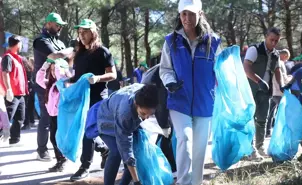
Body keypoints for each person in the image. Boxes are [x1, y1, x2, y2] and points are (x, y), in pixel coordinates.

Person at [159, 0, 221, 184]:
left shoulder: (214, 41)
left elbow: (221, 70)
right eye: (184, 14)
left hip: (205, 102)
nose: (187, 18)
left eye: (192, 13)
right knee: (184, 141)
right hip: (179, 100)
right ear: (179, 15)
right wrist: (170, 83)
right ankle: (184, 182)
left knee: (200, 149)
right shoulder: (171, 41)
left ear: (200, 14)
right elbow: (165, 69)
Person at [68, 19, 117, 181]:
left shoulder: (102, 51)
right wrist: (68, 83)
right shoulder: (79, 54)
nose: (82, 35)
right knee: (86, 131)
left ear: (93, 33)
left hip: (97, 99)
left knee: (88, 133)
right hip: (81, 99)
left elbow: (113, 75)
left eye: (85, 32)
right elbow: (76, 77)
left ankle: (84, 167)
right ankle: (104, 149)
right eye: (80, 32)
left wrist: (98, 78)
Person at [86, 84, 157, 185]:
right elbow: (126, 150)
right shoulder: (125, 115)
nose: (146, 118)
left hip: (120, 113)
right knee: (117, 152)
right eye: (143, 113)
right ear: (136, 104)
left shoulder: (146, 92)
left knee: (136, 153)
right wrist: (137, 182)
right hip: (106, 120)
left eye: (149, 114)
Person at [33, 12, 74, 161]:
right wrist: (71, 50)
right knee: (46, 117)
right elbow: (55, 56)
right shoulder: (40, 40)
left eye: (61, 26)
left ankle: (61, 150)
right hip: (44, 84)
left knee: (59, 118)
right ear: (48, 23)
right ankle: (42, 150)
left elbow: (69, 60)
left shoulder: (60, 42)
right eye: (57, 25)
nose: (59, 28)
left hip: (61, 84)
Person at [243, 27, 284, 161]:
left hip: (266, 91)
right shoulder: (254, 49)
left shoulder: (276, 55)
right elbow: (246, 67)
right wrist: (258, 81)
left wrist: (282, 86)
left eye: (276, 41)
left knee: (262, 119)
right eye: (271, 40)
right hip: (251, 89)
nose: (273, 43)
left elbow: (277, 71)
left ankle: (259, 147)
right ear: (266, 36)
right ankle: (249, 150)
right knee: (249, 119)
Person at [36, 58, 72, 172]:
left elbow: (61, 77)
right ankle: (60, 160)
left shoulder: (65, 83)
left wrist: (57, 63)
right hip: (53, 115)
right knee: (54, 138)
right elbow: (39, 79)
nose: (52, 72)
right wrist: (44, 67)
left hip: (62, 115)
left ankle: (63, 160)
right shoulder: (50, 85)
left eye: (54, 70)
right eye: (51, 70)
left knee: (58, 138)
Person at [0, 35, 28, 145]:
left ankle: (14, 139)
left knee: (20, 117)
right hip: (12, 93)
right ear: (18, 44)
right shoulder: (8, 57)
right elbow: (5, 73)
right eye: (21, 43)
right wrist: (9, 90)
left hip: (20, 93)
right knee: (6, 117)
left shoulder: (17, 58)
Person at [266, 49, 292, 137]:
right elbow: (282, 77)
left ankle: (268, 131)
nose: (287, 60)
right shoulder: (280, 63)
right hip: (280, 91)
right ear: (284, 56)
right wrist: (290, 79)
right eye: (287, 58)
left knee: (271, 113)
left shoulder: (273, 62)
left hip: (273, 91)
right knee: (283, 113)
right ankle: (282, 132)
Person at [22, 57, 37, 130]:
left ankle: (27, 123)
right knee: (30, 107)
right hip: (32, 88)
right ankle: (31, 121)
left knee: (26, 107)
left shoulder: (24, 69)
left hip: (27, 88)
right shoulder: (30, 68)